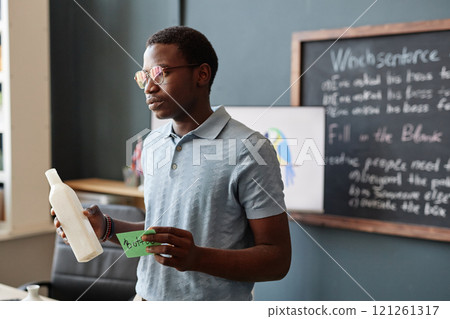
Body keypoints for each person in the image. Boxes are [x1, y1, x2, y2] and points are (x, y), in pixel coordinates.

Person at [52, 26, 291, 301]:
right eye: (144, 76)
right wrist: (106, 228)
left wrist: (197, 257)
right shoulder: (152, 144)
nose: (149, 87)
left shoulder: (250, 149)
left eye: (160, 73)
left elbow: (277, 260)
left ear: (202, 74)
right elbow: (158, 241)